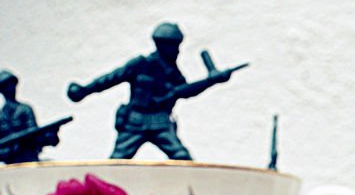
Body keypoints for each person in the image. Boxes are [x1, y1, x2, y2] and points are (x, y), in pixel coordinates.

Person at [66, 22, 233, 160]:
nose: (177, 50)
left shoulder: (172, 71)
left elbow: (185, 91)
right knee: (118, 160)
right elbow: (111, 78)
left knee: (181, 157)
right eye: (174, 46)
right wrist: (85, 90)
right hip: (135, 120)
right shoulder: (141, 64)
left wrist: (211, 81)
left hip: (160, 121)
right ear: (163, 45)